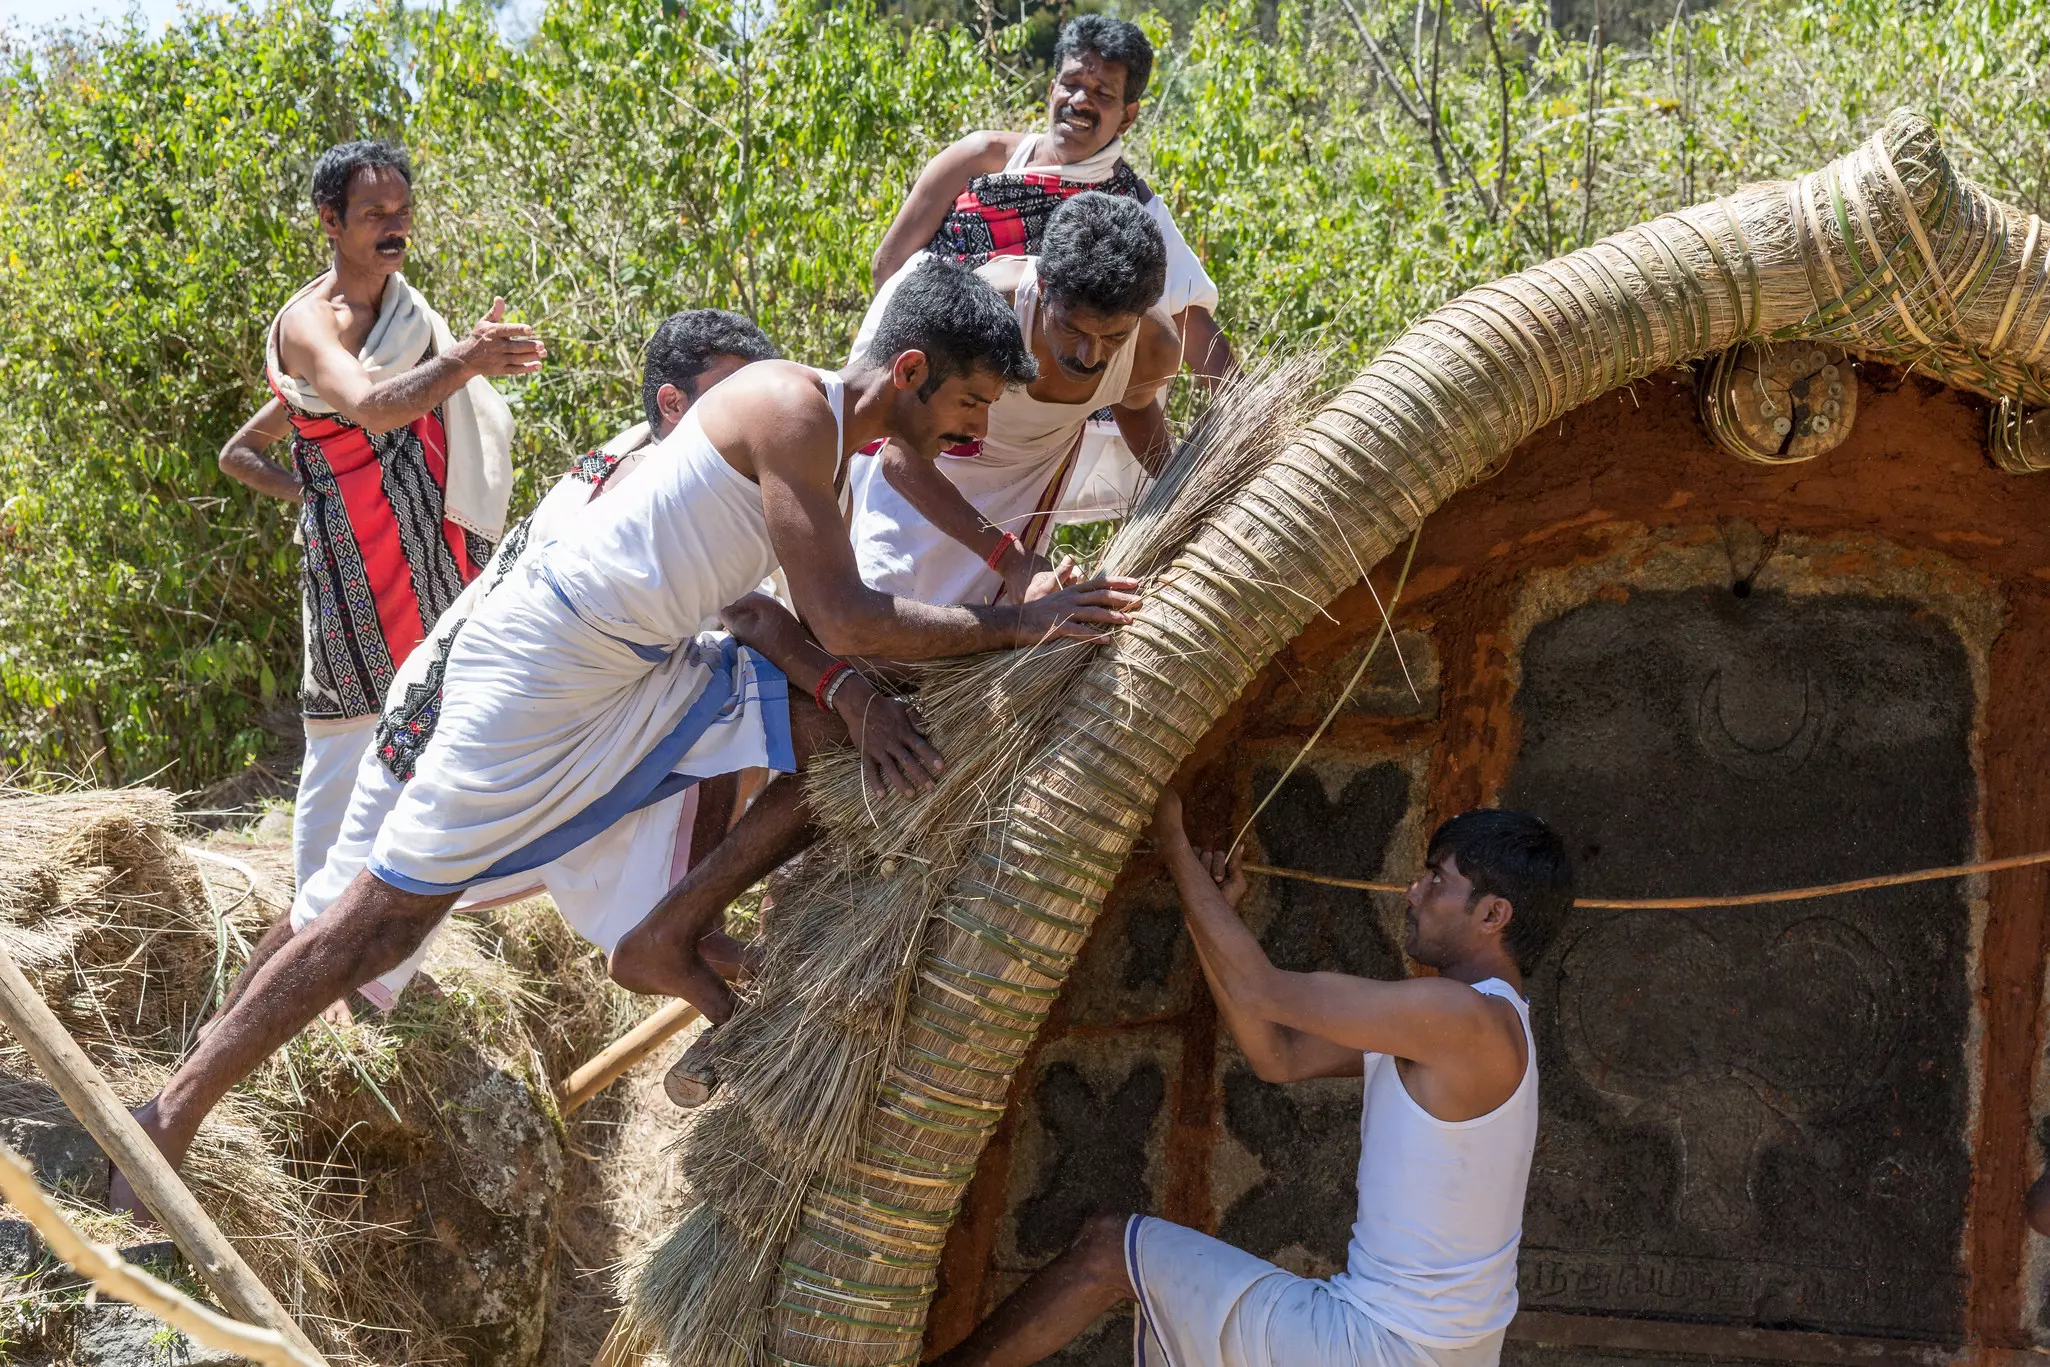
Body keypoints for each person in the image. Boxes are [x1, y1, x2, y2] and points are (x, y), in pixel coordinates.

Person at [112, 258, 1140, 1214]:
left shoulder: (834, 437)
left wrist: (974, 607)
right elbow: (844, 616)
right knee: (377, 918)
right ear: (910, 371)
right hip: (542, 669)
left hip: (631, 665)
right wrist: (1016, 620)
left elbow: (849, 592)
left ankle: (666, 932)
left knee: (838, 717)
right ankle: (172, 1116)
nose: (969, 432)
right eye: (965, 405)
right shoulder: (790, 409)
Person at [930, 792, 1574, 1367]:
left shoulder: (1460, 1018)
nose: (1413, 892)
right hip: (1419, 1349)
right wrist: (1205, 905)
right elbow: (1279, 1056)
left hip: (1381, 1345)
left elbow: (1260, 990)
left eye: (1437, 881)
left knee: (1108, 1250)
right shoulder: (1472, 1025)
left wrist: (1172, 838)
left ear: (1493, 915)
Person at [217, 139, 544, 896]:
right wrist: (319, 495)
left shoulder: (404, 314)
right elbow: (363, 409)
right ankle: (311, 927)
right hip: (350, 562)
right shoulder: (310, 325)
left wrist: (461, 358)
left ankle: (408, 902)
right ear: (330, 220)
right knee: (344, 728)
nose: (394, 227)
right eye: (373, 214)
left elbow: (408, 402)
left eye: (402, 212)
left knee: (442, 706)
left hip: (430, 547)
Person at [870, 15, 1234, 519]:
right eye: (1072, 84)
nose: (1081, 102)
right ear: (1051, 87)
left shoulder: (1130, 208)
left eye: (1102, 94)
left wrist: (1247, 422)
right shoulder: (979, 158)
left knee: (1006, 550)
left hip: (1035, 434)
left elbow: (1190, 321)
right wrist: (896, 375)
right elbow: (891, 266)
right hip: (934, 394)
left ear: (1127, 116)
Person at [851, 191, 1181, 606]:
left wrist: (1184, 489)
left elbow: (1133, 405)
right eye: (1073, 329)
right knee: (883, 622)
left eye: (1115, 337)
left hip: (1022, 494)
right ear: (1043, 286)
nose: (1090, 356)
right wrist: (1010, 560)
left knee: (974, 646)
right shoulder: (986, 310)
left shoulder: (1154, 349)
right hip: (924, 472)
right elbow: (900, 461)